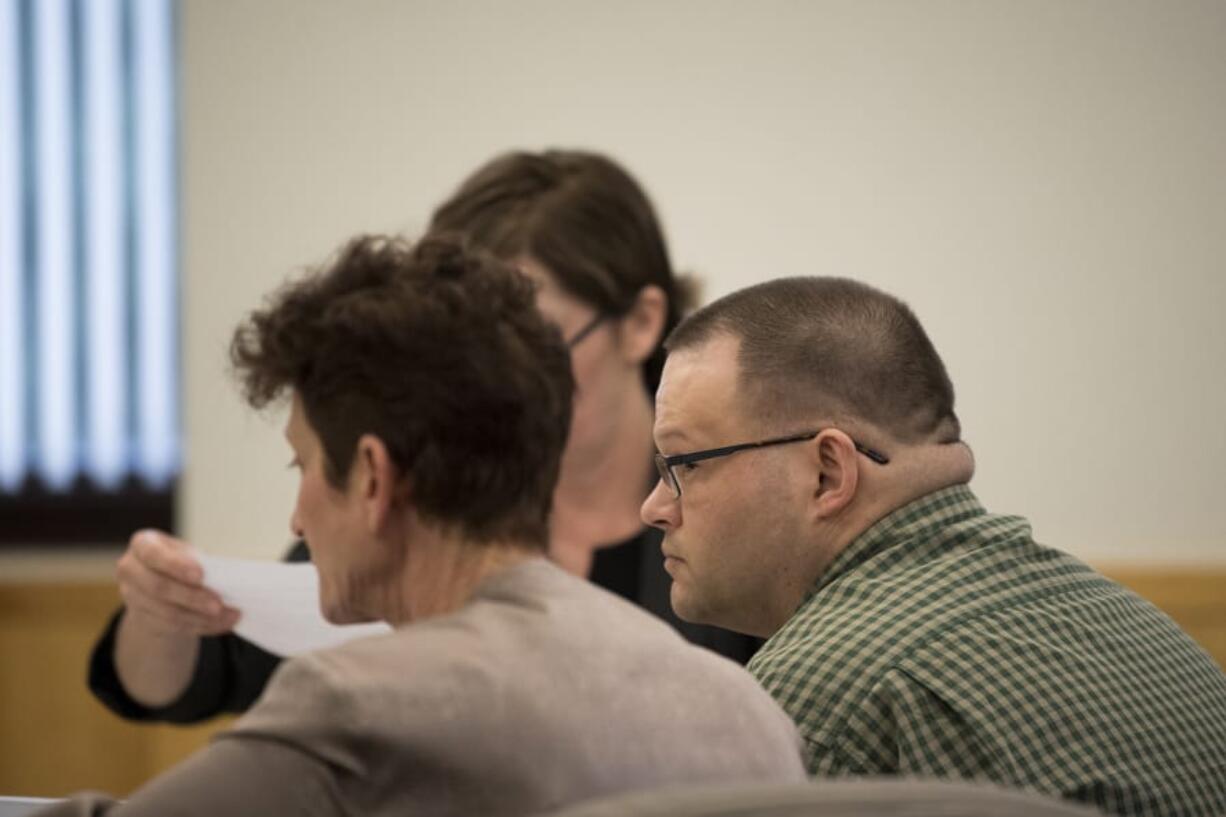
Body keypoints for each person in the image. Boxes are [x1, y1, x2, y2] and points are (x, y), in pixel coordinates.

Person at [41, 235, 805, 817]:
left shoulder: (355, 702)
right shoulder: (739, 706)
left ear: (372, 478)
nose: (297, 518)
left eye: (299, 467)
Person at [87, 149, 759, 723]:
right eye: (469, 345)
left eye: (531, 334)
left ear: (641, 322)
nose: (499, 372)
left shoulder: (739, 495)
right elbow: (201, 678)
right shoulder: (430, 485)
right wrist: (162, 606)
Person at [639, 276, 1226, 815]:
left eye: (684, 465)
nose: (655, 508)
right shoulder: (1137, 626)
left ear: (826, 473)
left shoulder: (824, 695)